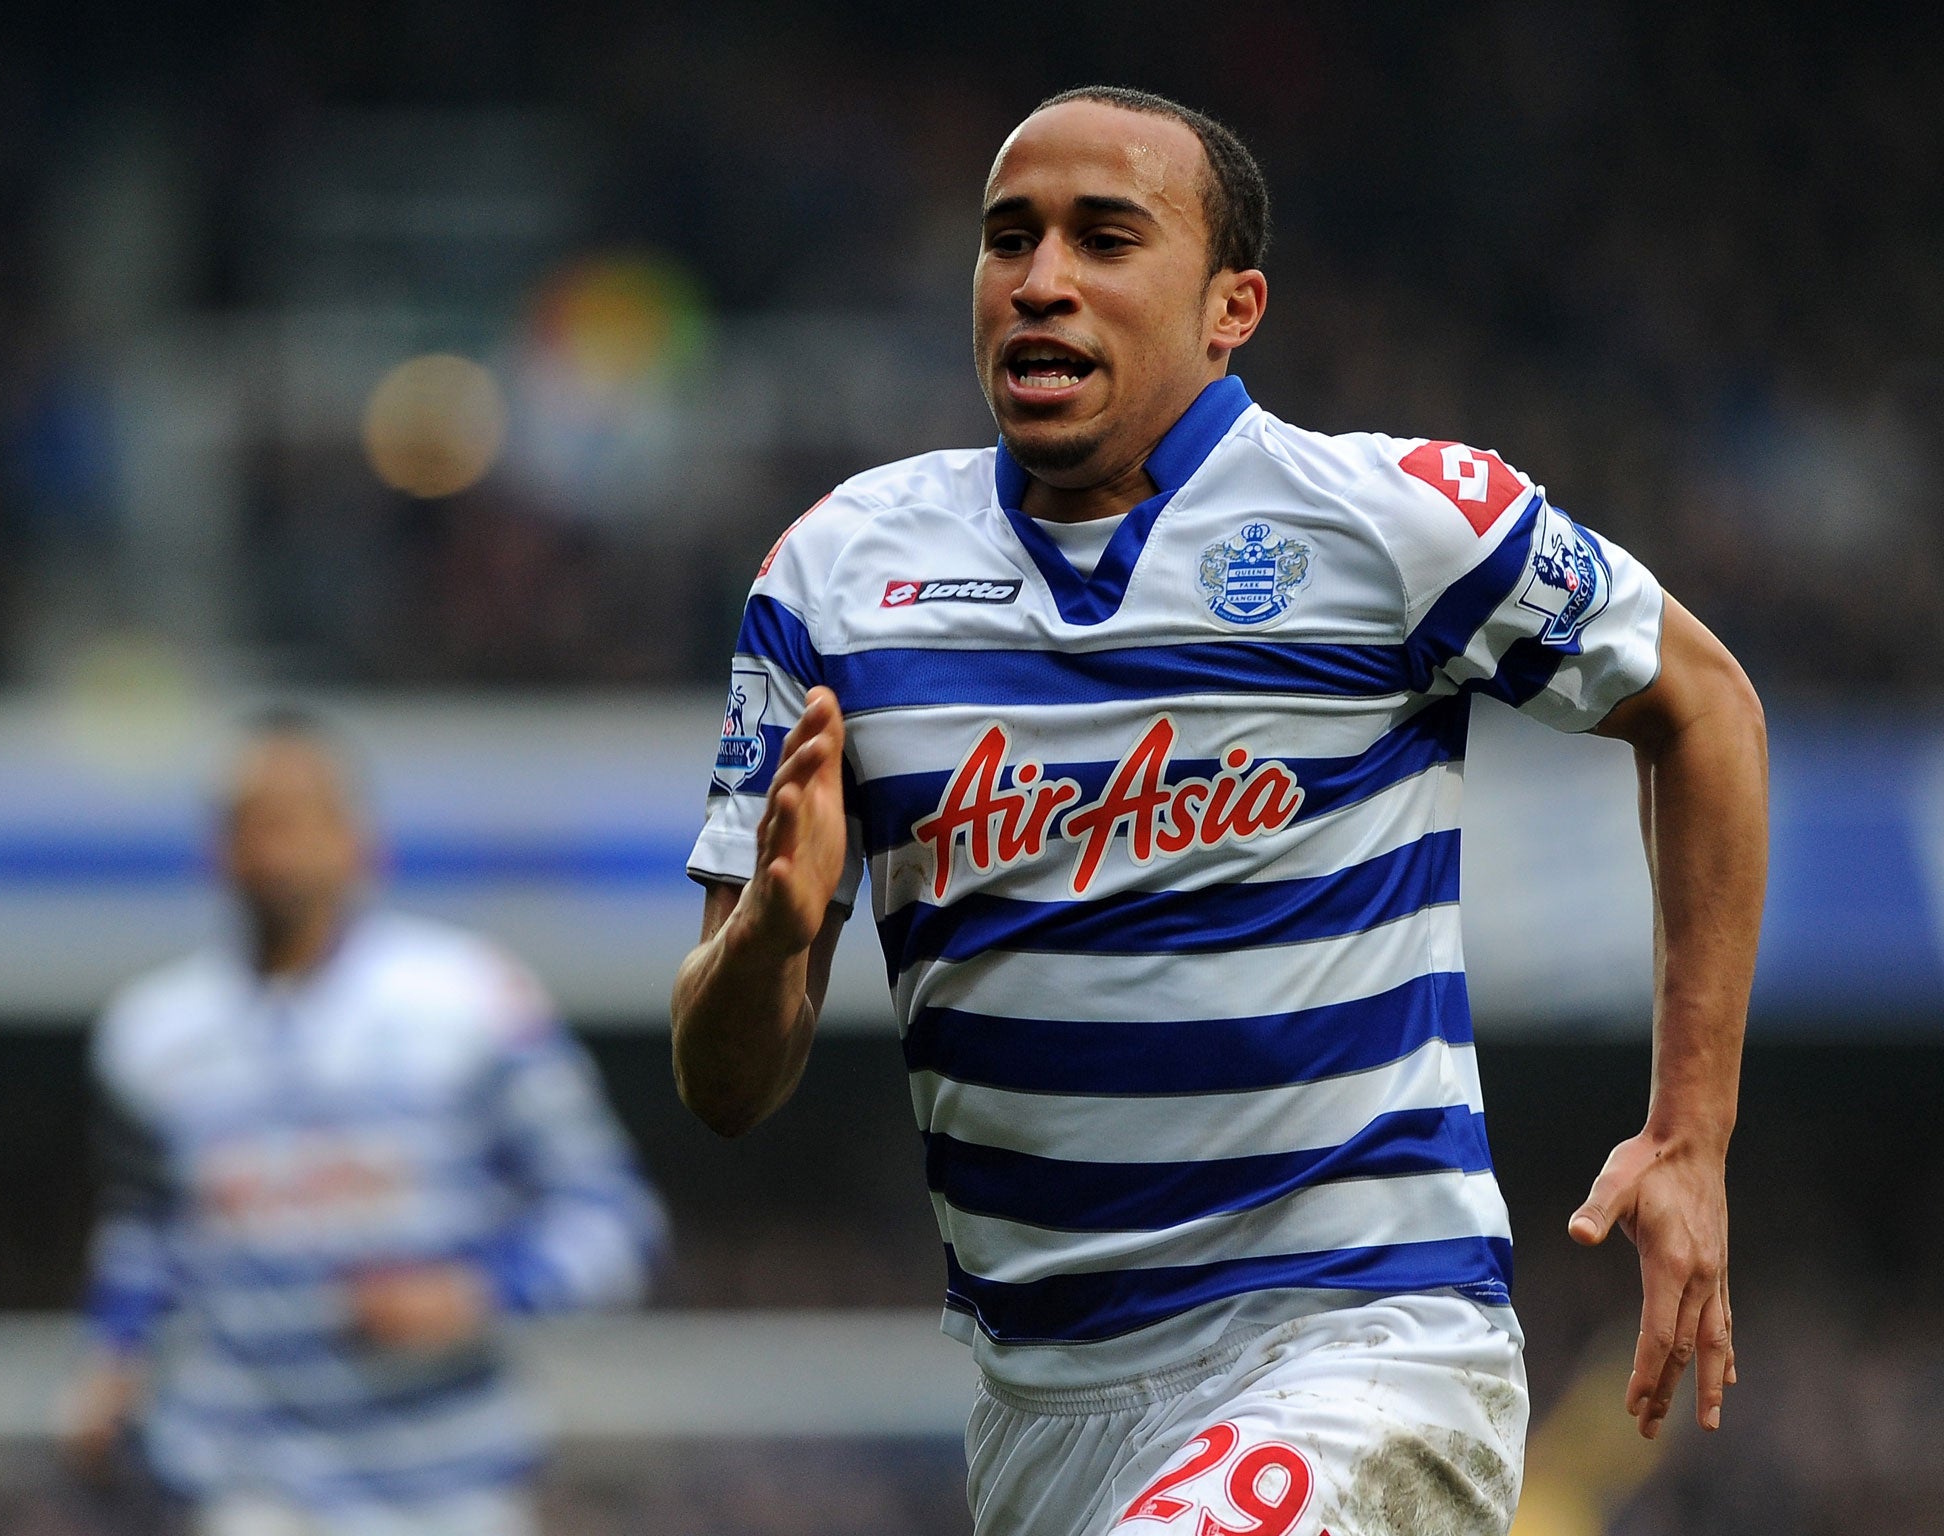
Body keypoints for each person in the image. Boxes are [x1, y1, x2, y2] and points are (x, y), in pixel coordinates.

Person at [672, 86, 1766, 1536]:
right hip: (1040, 1405)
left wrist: (1690, 1133)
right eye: (1009, 239)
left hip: (1360, 1348)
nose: (1041, 278)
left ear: (1229, 306)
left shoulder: (1402, 522)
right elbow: (724, 1086)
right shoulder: (833, 579)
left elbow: (1704, 708)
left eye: (1105, 238)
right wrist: (773, 929)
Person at [68, 711, 666, 1536]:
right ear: (217, 850)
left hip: (442, 1487)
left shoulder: (471, 1003)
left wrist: (483, 1291)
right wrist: (114, 1356)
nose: (273, 847)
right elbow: (146, 1231)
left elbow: (612, 1217)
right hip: (245, 1484)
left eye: (298, 818)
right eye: (251, 822)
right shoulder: (153, 1036)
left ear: (358, 842)